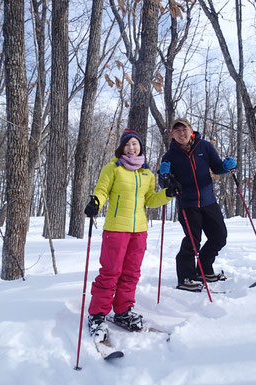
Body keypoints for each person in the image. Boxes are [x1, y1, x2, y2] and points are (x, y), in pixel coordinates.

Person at [84, 129, 175, 340]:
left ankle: (123, 312)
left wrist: (167, 194)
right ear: (122, 147)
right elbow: (102, 190)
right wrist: (96, 202)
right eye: (128, 144)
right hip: (116, 229)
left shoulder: (147, 174)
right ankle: (97, 314)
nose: (132, 148)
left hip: (139, 231)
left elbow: (151, 200)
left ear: (140, 146)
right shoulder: (113, 168)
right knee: (110, 272)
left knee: (131, 273)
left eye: (135, 144)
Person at [159, 117, 236, 292]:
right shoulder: (170, 155)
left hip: (208, 201)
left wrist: (227, 166)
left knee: (219, 237)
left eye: (184, 129)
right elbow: (164, 184)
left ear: (191, 130)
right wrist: (164, 176)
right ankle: (186, 277)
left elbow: (217, 167)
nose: (181, 133)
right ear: (172, 134)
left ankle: (203, 269)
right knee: (193, 242)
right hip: (188, 204)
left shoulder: (205, 147)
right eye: (177, 131)